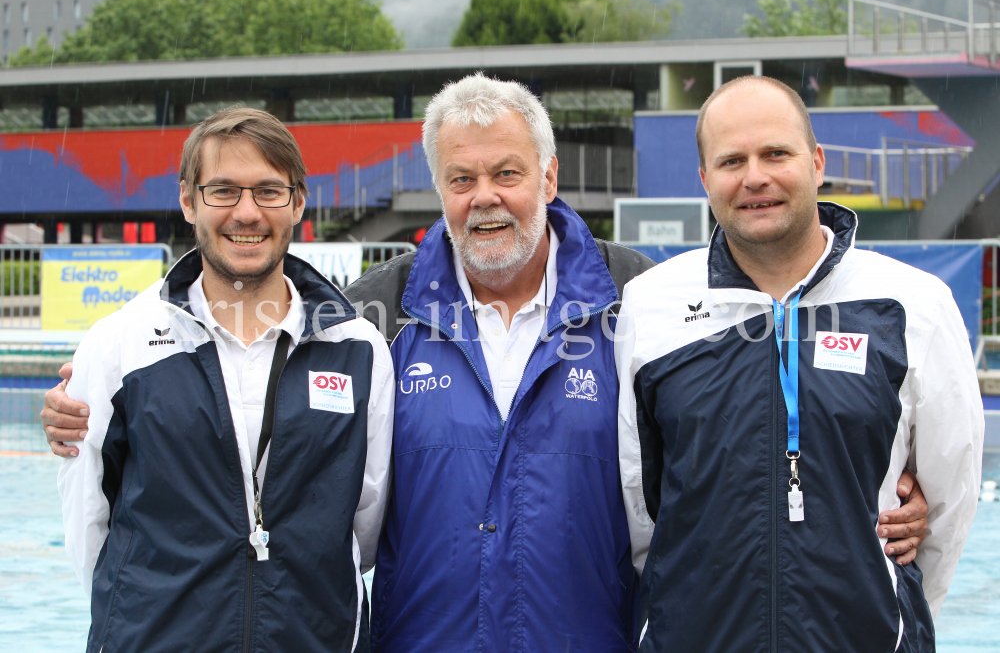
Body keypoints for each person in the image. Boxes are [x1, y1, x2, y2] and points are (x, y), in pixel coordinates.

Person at [43, 76, 929, 652]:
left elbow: (721, 448)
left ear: (548, 177)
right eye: (461, 180)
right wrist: (85, 412)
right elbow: (325, 503)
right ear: (440, 193)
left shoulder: (645, 304)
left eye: (507, 173)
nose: (486, 198)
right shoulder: (366, 321)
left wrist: (881, 493)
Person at [615, 75, 983, 652]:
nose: (755, 176)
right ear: (705, 179)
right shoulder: (651, 304)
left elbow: (950, 498)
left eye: (775, 153)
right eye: (732, 160)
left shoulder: (915, 303)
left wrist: (897, 612)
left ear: (815, 163)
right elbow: (643, 504)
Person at [55, 107, 393, 653]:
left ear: (298, 202)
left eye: (268, 191)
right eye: (223, 192)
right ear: (188, 200)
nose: (246, 212)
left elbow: (366, 521)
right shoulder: (119, 343)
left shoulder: (358, 349)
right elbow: (88, 519)